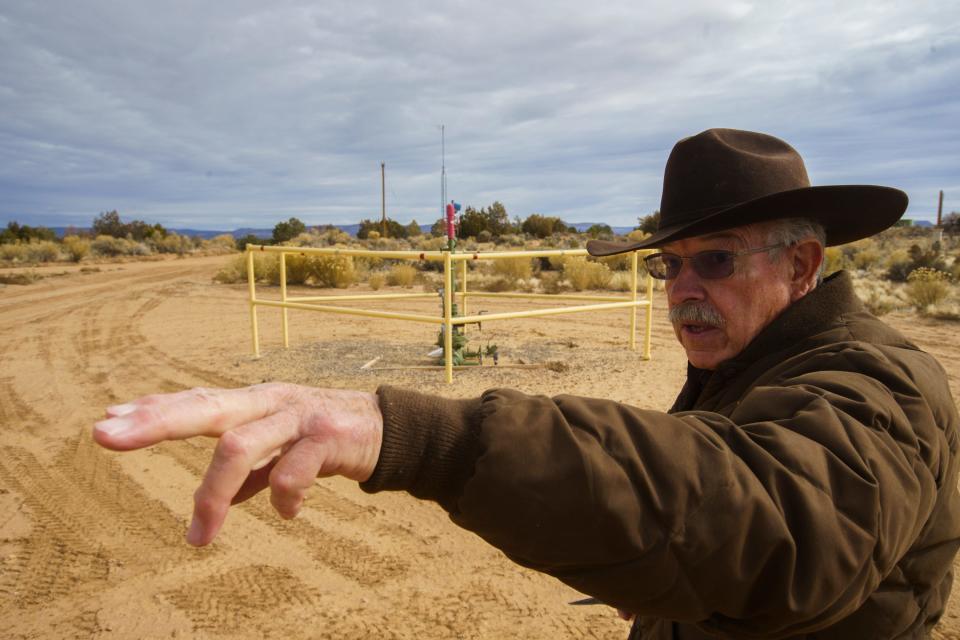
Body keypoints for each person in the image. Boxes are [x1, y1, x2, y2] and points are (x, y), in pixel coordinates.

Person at [94, 128, 960, 638]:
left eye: (717, 261)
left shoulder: (877, 380)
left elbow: (770, 514)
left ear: (803, 265)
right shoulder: (753, 364)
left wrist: (425, 439)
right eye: (669, 266)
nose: (684, 289)